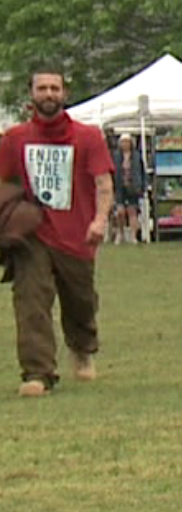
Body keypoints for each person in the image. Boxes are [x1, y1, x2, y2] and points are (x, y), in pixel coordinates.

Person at [0, 66, 114, 397]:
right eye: (42, 88)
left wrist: (99, 219)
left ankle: (82, 347)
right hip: (32, 234)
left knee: (80, 301)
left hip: (77, 235)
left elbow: (103, 182)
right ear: (31, 94)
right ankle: (37, 373)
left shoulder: (87, 136)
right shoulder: (15, 139)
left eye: (54, 88)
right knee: (30, 300)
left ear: (64, 94)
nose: (48, 94)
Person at [109, 134, 147, 244]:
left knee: (132, 211)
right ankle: (120, 233)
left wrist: (142, 186)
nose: (125, 144)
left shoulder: (136, 156)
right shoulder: (116, 156)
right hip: (119, 186)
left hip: (133, 186)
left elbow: (142, 172)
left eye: (127, 142)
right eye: (123, 142)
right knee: (120, 212)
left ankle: (133, 236)